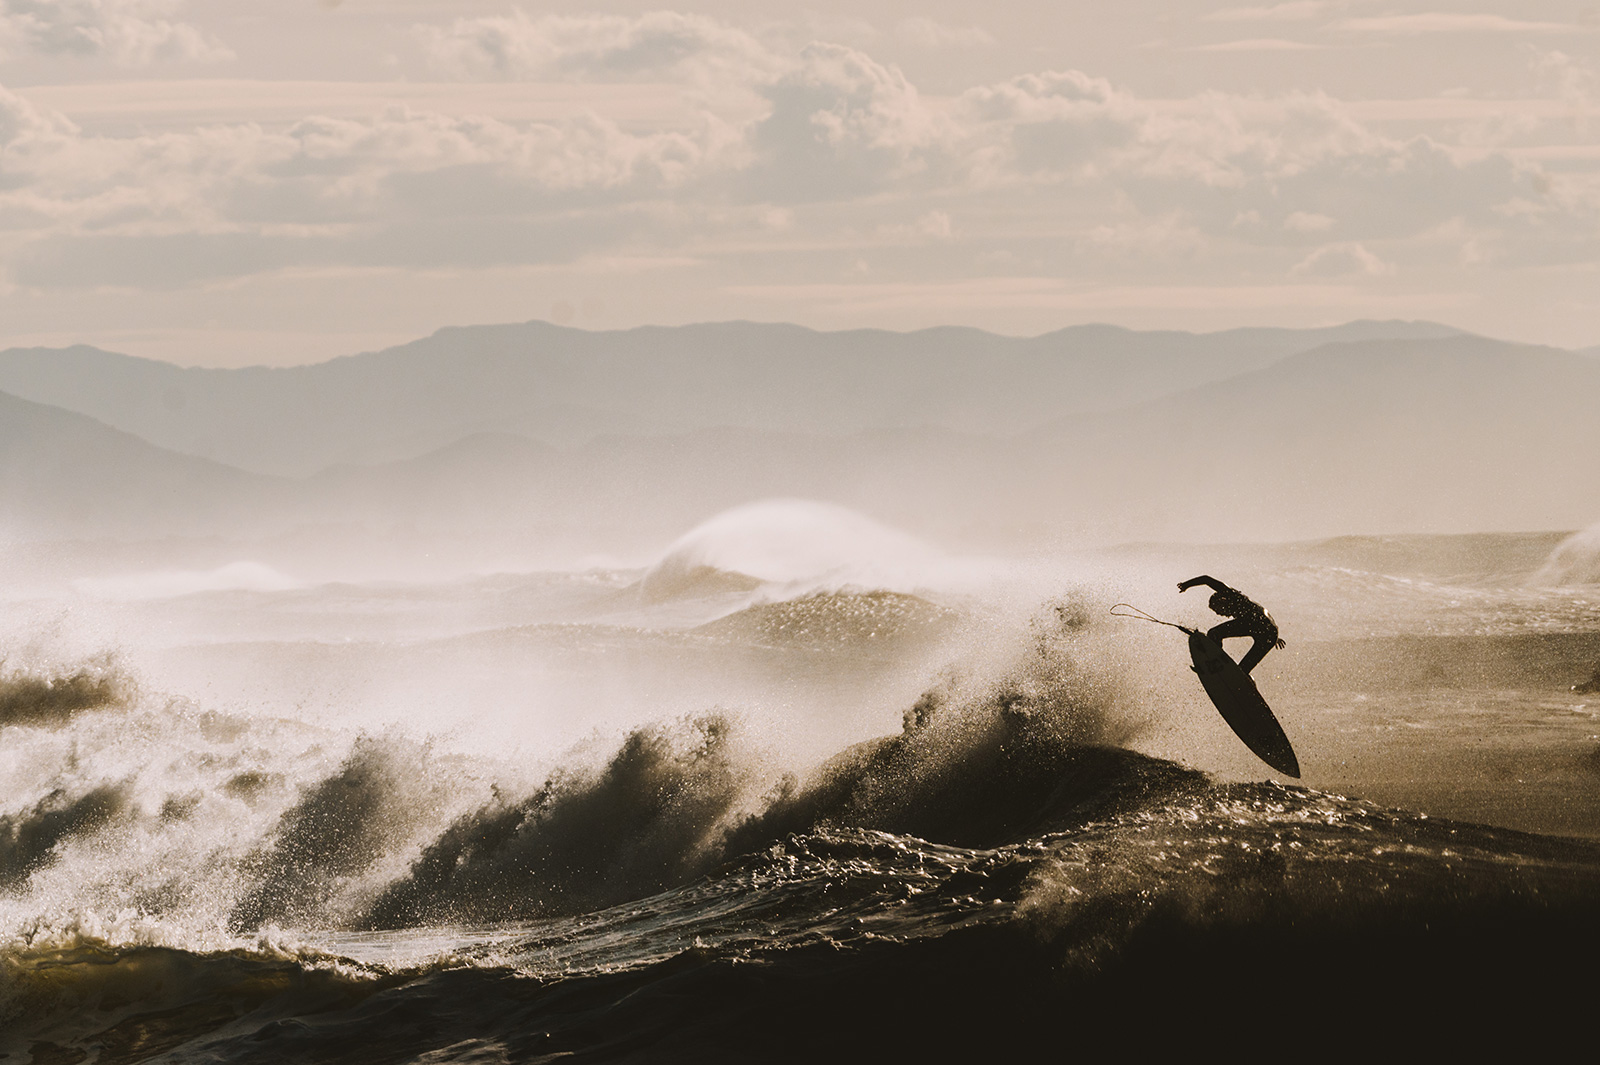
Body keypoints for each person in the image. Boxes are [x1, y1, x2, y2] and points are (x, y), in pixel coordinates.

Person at [1178, 575, 1285, 674]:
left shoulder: (1229, 594)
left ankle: (1215, 662)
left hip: (1257, 623)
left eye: (1218, 610)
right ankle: (1246, 688)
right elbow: (1264, 619)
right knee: (1241, 672)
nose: (1221, 614)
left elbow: (1206, 579)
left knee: (1214, 633)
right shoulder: (1241, 605)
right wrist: (1273, 635)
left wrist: (1186, 585)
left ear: (1221, 601)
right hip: (1270, 633)